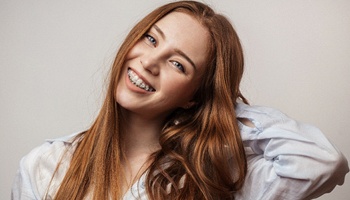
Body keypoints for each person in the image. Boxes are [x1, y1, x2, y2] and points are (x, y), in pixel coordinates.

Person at [12, 1, 348, 199]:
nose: (149, 62)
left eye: (178, 64)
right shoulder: (46, 166)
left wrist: (217, 108)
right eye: (151, 39)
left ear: (194, 96)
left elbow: (320, 160)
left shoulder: (214, 176)